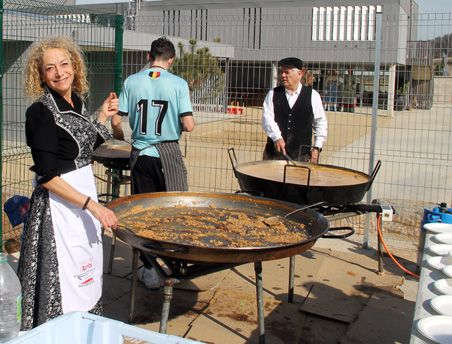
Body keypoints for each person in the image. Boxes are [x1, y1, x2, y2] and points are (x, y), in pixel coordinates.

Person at [17, 36, 119, 330]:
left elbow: (83, 146)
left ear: (75, 66)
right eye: (50, 68)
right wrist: (95, 208)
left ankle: (85, 329)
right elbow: (48, 177)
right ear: (41, 75)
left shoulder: (76, 101)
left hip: (82, 201)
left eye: (64, 64)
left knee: (85, 269)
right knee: (64, 278)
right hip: (58, 209)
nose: (60, 72)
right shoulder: (40, 112)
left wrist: (102, 115)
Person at [111, 36, 195, 288]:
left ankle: (149, 269)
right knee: (173, 208)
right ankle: (174, 262)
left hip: (140, 154)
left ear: (149, 57)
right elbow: (189, 125)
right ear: (171, 60)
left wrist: (121, 138)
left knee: (144, 212)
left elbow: (116, 120)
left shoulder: (131, 81)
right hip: (167, 154)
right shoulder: (178, 83)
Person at [262, 57, 327, 163]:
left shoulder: (313, 96)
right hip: (273, 156)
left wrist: (317, 147)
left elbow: (320, 123)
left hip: (301, 157)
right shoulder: (273, 94)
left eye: (287, 72)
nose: (283, 75)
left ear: (300, 74)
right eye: (282, 72)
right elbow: (267, 118)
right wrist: (277, 137)